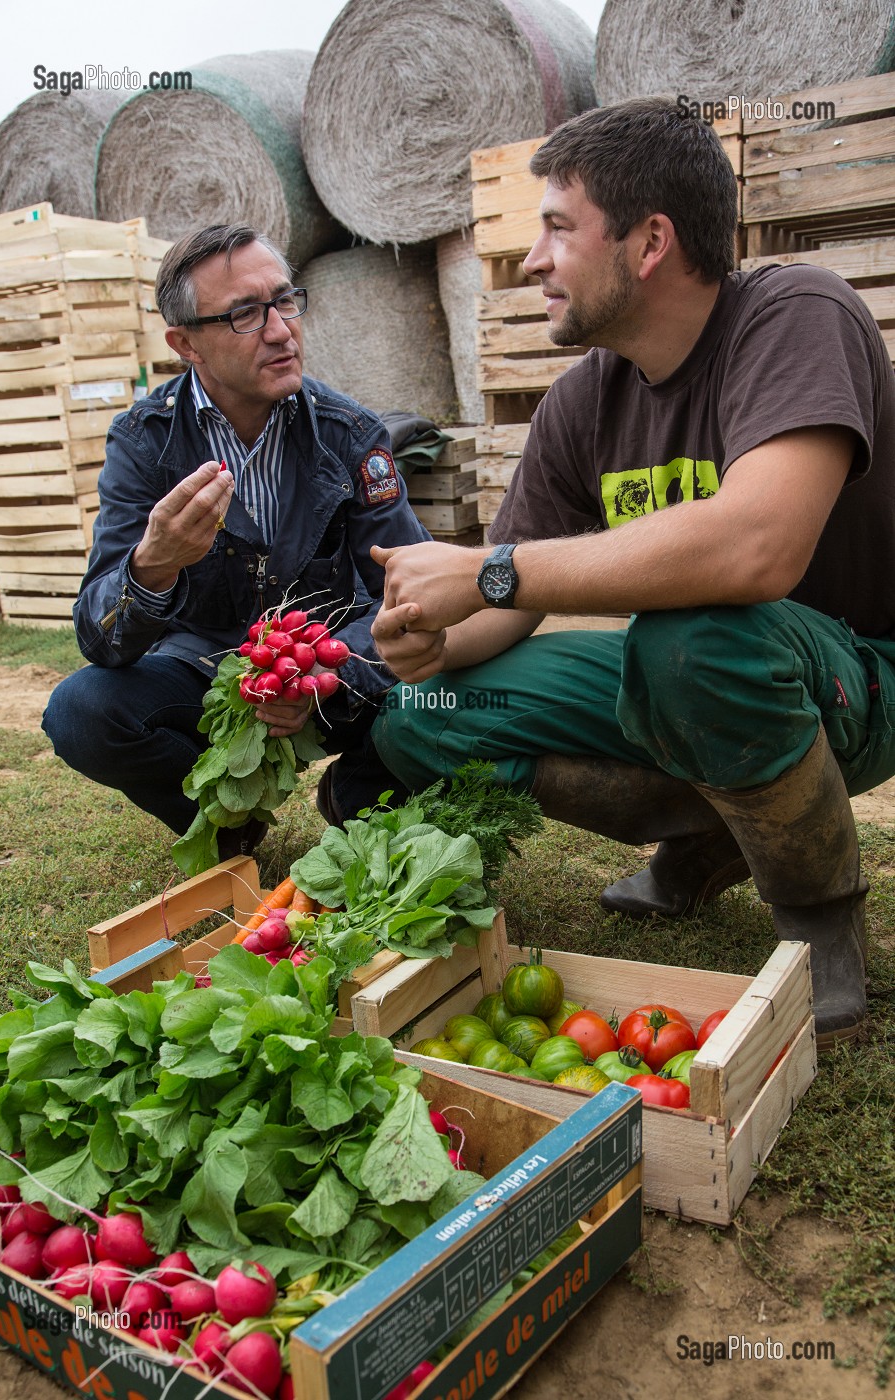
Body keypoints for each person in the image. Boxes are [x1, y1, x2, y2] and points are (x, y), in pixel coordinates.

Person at [367, 99, 895, 1049]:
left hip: (856, 672)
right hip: (707, 679)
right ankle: (716, 834)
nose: (530, 260)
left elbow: (755, 550)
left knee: (690, 639)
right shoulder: (582, 402)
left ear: (649, 242)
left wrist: (490, 572)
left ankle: (819, 919)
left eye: (557, 228)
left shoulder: (795, 314)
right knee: (423, 718)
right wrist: (435, 634)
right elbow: (503, 610)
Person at [43, 223, 431, 852]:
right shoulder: (145, 442)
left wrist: (321, 679)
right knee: (81, 711)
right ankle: (228, 826)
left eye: (283, 301)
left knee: (444, 689)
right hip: (206, 673)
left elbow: (408, 595)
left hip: (326, 672)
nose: (280, 329)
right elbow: (98, 634)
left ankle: (354, 794)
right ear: (185, 343)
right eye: (245, 314)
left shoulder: (351, 435)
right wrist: (152, 567)